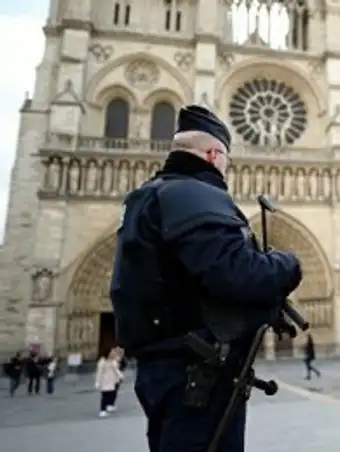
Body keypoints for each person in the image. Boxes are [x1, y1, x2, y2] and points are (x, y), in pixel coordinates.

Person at [109, 105, 302, 452]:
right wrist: (286, 264)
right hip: (195, 374)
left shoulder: (148, 196)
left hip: (166, 368)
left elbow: (195, 279)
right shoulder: (193, 195)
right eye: (226, 158)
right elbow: (236, 274)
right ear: (214, 154)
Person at [95, 348, 124, 417]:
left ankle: (110, 405)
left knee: (112, 393)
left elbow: (116, 370)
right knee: (105, 395)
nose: (113, 353)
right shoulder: (102, 362)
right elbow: (99, 373)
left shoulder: (113, 361)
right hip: (105, 381)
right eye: (111, 352)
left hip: (112, 380)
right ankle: (102, 410)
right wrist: (97, 382)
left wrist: (121, 376)